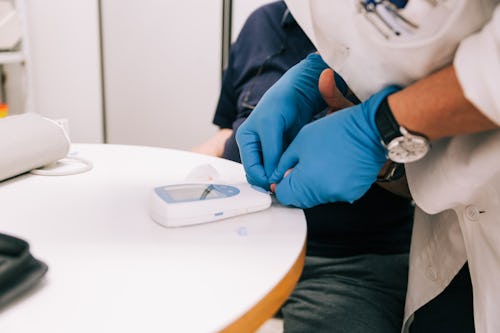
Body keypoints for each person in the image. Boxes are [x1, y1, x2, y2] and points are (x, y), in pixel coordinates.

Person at [236, 1, 500, 332]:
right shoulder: (263, 27)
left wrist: (382, 126)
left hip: (358, 262)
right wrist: (339, 69)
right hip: (449, 240)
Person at [194, 2, 415, 332]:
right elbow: (228, 130)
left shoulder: (398, 26)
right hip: (237, 245)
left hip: (345, 264)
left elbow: (436, 177)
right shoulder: (263, 24)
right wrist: (178, 174)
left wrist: (377, 150)